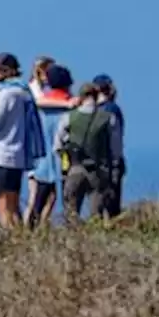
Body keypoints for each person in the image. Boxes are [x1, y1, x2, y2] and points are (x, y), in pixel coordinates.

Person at [0, 52, 46, 230]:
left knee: (3, 204)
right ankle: (20, 236)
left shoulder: (5, 95)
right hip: (19, 155)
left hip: (2, 154)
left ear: (6, 72)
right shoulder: (25, 93)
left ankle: (9, 236)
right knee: (14, 202)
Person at [52, 82, 123, 225]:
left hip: (75, 168)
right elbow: (116, 148)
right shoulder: (109, 118)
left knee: (71, 214)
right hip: (99, 172)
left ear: (80, 97)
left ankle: (73, 241)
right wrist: (113, 167)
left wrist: (67, 161)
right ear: (96, 97)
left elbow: (57, 146)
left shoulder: (68, 117)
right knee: (96, 216)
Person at [26, 58, 79, 228]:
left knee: (38, 202)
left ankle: (28, 235)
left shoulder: (42, 104)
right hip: (66, 160)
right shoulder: (72, 106)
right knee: (69, 202)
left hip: (43, 161)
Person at [92, 74, 126, 216]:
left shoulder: (102, 110)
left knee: (100, 203)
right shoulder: (113, 109)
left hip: (103, 162)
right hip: (112, 160)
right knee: (111, 204)